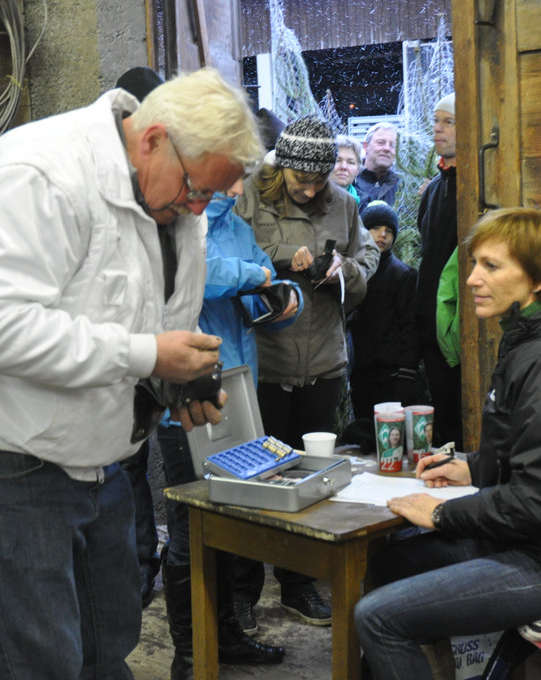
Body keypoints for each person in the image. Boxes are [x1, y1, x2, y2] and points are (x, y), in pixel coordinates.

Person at [0, 67, 264, 680]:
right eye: (195, 189)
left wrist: (173, 382)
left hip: (99, 459)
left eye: (212, 195)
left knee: (108, 647)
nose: (199, 207)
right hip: (2, 456)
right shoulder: (36, 175)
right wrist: (147, 355)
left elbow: (140, 312)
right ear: (152, 140)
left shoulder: (175, 199)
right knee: (41, 662)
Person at [354, 207, 541, 680]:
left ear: (538, 279)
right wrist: (474, 467)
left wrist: (442, 513)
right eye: (474, 264)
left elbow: (538, 500)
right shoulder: (530, 335)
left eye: (491, 266)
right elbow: (535, 455)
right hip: (536, 541)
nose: (472, 280)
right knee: (390, 562)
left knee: (377, 617)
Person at [231, 115, 379, 630]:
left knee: (311, 480)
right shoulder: (250, 195)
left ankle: (298, 585)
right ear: (283, 167)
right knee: (256, 482)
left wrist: (345, 271)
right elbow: (226, 256)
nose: (311, 189)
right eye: (301, 180)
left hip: (322, 363)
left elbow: (368, 258)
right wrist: (278, 259)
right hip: (264, 363)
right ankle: (242, 594)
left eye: (319, 181)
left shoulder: (344, 204)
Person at [157, 186, 302, 679]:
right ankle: (189, 652)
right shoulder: (178, 225)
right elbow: (201, 274)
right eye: (230, 177)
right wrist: (257, 276)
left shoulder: (238, 228)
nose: (238, 188)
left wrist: (288, 300)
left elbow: (264, 288)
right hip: (185, 404)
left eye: (243, 177)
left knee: (228, 523)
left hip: (238, 395)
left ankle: (226, 637)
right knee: (190, 529)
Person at [112, 65, 166, 611]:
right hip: (122, 351)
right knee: (126, 470)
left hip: (143, 352)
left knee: (129, 468)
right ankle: (136, 568)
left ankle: (140, 568)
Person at [415, 93, 462, 450]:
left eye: (448, 122)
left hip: (461, 327)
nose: (437, 129)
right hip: (432, 325)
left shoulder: (476, 187)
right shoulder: (434, 189)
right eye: (435, 121)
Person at [347, 200, 421, 420]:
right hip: (360, 371)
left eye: (389, 230)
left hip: (392, 374)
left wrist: (407, 372)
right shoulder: (355, 273)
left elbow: (411, 327)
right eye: (375, 228)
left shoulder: (402, 276)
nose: (382, 235)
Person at [354, 121, 400, 212]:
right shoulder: (350, 181)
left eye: (392, 145)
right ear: (366, 147)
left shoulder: (403, 186)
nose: (387, 148)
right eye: (381, 142)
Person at [332, 134, 362, 203]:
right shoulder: (312, 197)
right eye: (337, 160)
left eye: (350, 162)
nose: (344, 167)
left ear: (357, 170)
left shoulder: (365, 203)